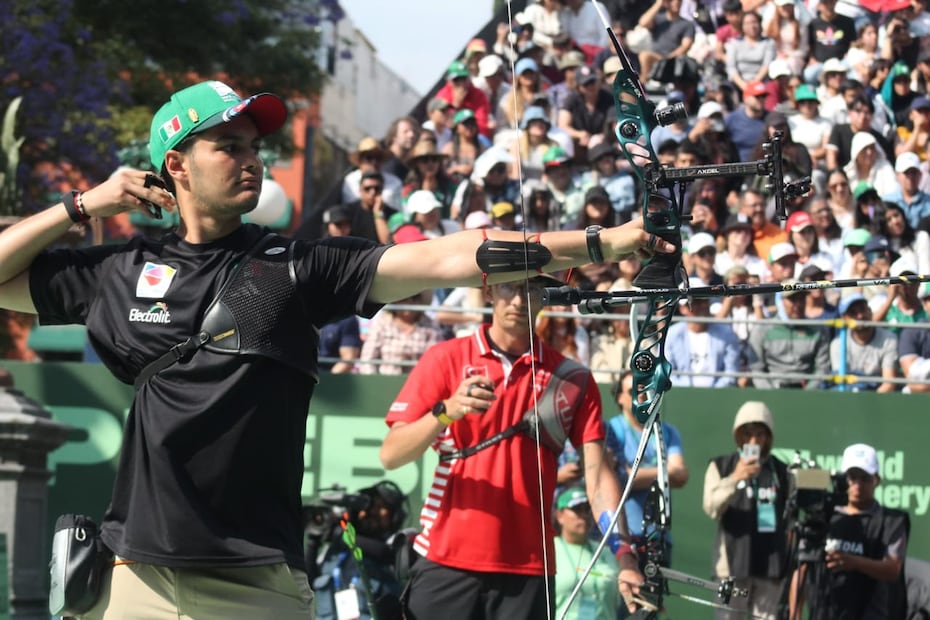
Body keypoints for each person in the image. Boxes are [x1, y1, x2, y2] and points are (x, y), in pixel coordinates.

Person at [6, 80, 670, 618]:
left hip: (256, 583)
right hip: (132, 578)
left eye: (254, 145)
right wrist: (80, 204)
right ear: (176, 165)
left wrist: (602, 243)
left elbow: (447, 255)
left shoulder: (294, 265)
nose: (252, 158)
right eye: (229, 146)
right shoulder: (123, 270)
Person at [379, 273, 646, 619]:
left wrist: (624, 554)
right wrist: (446, 413)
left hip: (530, 570)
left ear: (544, 296)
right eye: (510, 286)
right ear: (488, 291)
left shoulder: (574, 379)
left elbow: (597, 478)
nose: (519, 300)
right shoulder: (444, 357)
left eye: (531, 289)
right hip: (444, 558)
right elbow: (392, 453)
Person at [791, 443, 909, 620]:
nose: (857, 485)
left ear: (877, 480)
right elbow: (802, 568)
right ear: (841, 479)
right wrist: (795, 615)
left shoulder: (892, 520)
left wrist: (852, 562)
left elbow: (892, 569)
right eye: (852, 477)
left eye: (865, 478)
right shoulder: (822, 518)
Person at [703, 401, 789, 620]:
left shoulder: (781, 470)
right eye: (748, 434)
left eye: (760, 434)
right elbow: (711, 507)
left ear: (768, 437)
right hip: (731, 565)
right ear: (738, 435)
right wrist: (735, 478)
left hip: (771, 564)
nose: (754, 441)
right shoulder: (721, 465)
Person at [605, 371, 688, 563]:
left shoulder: (666, 431)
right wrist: (664, 472)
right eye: (633, 390)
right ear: (619, 397)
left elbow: (681, 475)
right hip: (625, 537)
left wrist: (640, 476)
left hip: (659, 538)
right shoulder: (613, 430)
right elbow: (623, 479)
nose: (641, 394)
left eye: (645, 389)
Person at [310, 480, 410, 620]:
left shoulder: (397, 544)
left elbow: (384, 553)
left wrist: (339, 535)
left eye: (382, 508)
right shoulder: (334, 548)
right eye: (371, 506)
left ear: (395, 516)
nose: (374, 512)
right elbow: (310, 582)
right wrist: (312, 542)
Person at [552, 486, 621, 620]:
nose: (584, 515)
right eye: (577, 510)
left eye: (587, 510)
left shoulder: (606, 552)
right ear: (559, 515)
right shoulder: (549, 550)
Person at [830, 295, 899, 393]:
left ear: (870, 311)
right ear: (844, 319)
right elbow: (841, 384)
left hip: (879, 400)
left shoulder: (889, 339)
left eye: (863, 310)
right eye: (853, 313)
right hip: (849, 399)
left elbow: (889, 384)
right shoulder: (837, 344)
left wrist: (870, 404)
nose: (860, 316)